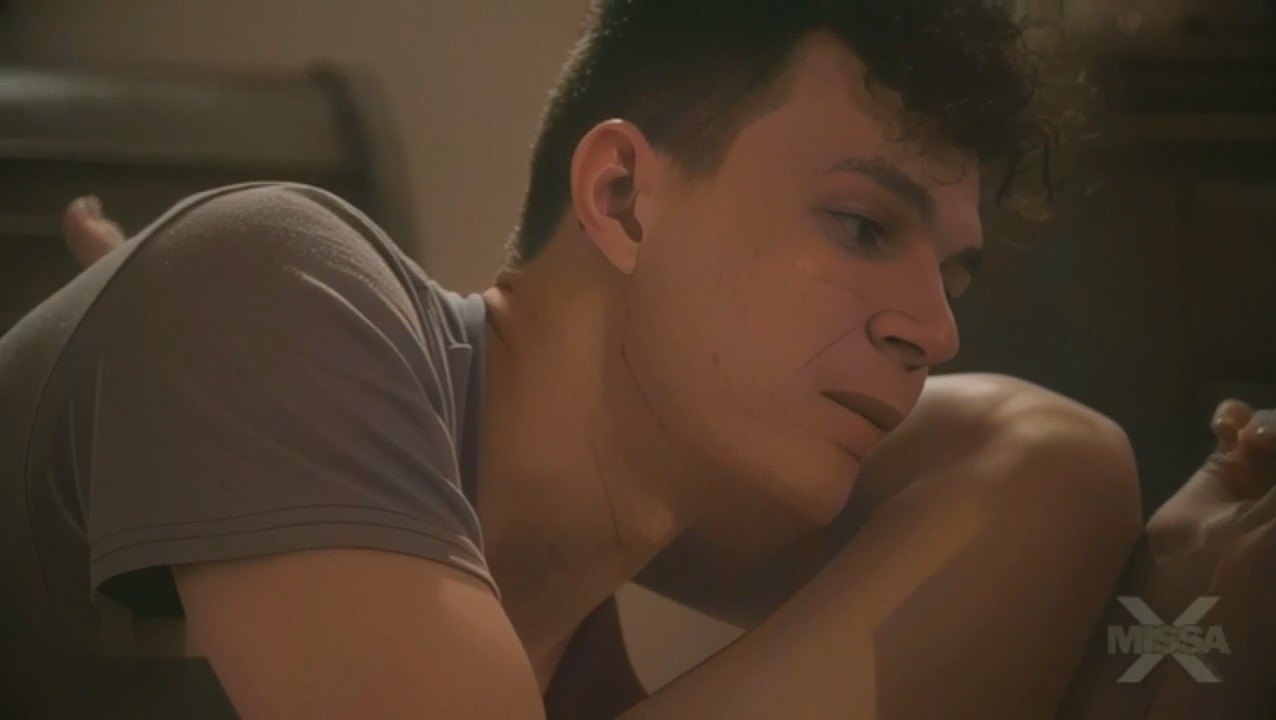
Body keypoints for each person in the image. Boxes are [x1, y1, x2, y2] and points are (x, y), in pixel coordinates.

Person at [3, 1, 1274, 718]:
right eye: (860, 225)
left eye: (953, 275)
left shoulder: (554, 654)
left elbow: (1047, 466)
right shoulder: (274, 275)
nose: (933, 331)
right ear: (619, 195)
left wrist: (1200, 615)